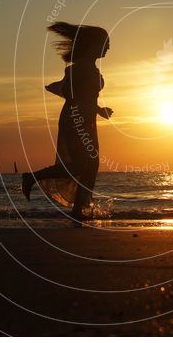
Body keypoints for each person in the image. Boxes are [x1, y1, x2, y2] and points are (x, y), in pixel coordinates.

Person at [23, 22, 112, 221]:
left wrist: (98, 110)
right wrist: (89, 110)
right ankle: (32, 177)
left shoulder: (88, 67)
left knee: (90, 165)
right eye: (106, 43)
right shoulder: (79, 68)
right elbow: (73, 96)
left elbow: (84, 97)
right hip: (76, 120)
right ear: (93, 44)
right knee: (82, 165)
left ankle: (78, 211)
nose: (108, 48)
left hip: (86, 120)